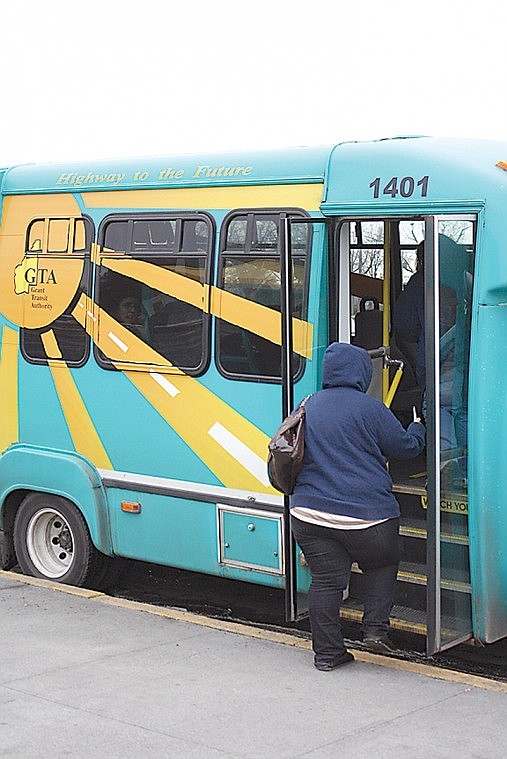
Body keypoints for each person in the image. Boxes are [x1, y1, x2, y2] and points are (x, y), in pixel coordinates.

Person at [290, 342, 425, 671]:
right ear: (362, 373)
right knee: (383, 562)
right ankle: (374, 630)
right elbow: (406, 448)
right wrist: (419, 427)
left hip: (308, 515)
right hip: (367, 519)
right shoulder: (371, 408)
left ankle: (327, 655)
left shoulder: (306, 405)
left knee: (326, 582)